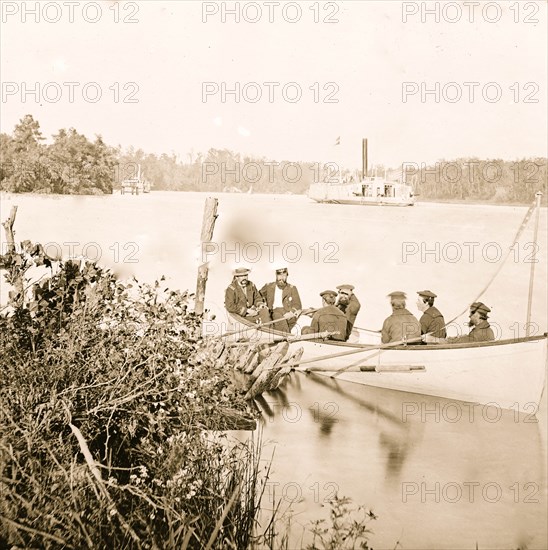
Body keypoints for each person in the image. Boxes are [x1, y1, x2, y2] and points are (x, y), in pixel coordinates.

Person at [424, 302, 495, 344]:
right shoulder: (487, 330)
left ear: (478, 314)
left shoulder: (480, 332)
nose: (469, 316)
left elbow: (460, 342)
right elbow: (467, 339)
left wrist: (433, 339)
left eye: (471, 313)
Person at [259, 267, 302, 333]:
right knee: (277, 317)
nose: (281, 277)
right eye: (279, 275)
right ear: (276, 275)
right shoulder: (269, 286)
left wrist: (291, 312)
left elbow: (297, 304)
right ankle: (283, 337)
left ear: (287, 275)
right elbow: (258, 296)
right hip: (272, 311)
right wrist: (263, 303)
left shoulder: (292, 288)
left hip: (286, 311)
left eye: (284, 275)